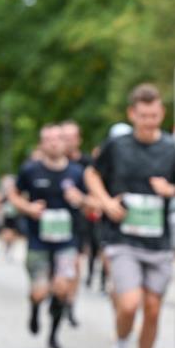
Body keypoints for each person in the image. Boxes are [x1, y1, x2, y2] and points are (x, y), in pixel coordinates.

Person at [85, 84, 175, 348]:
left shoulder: (172, 149)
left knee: (152, 310)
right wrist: (106, 202)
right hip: (122, 238)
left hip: (158, 243)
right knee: (129, 303)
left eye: (154, 115)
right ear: (132, 115)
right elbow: (91, 175)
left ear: (162, 113)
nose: (149, 121)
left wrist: (173, 191)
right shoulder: (117, 145)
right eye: (143, 116)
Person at [9, 124, 87, 348]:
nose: (54, 143)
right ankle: (34, 307)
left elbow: (91, 201)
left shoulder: (76, 173)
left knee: (62, 288)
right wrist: (28, 207)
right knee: (40, 291)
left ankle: (53, 335)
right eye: (48, 139)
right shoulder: (30, 170)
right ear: (42, 144)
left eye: (58, 139)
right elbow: (13, 194)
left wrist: (80, 199)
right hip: (38, 240)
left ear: (65, 143)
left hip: (66, 241)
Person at [61, 119, 93, 326]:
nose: (68, 141)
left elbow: (95, 196)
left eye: (72, 137)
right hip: (50, 225)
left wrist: (82, 199)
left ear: (79, 139)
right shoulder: (48, 161)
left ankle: (70, 304)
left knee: (74, 264)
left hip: (78, 222)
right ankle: (58, 298)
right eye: (65, 137)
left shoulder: (87, 164)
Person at [0, 174, 23, 262]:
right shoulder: (3, 194)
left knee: (13, 234)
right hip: (6, 216)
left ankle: (10, 250)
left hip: (15, 216)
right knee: (6, 233)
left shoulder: (17, 193)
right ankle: (5, 248)